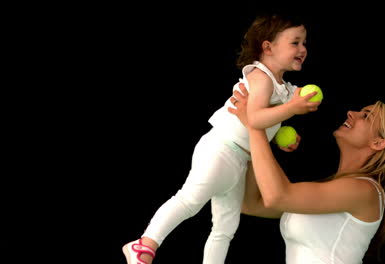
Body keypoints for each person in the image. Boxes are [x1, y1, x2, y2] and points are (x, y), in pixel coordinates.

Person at [122, 12, 321, 264]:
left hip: (240, 159)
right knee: (190, 200)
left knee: (226, 227)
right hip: (222, 149)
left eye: (304, 43)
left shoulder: (282, 86)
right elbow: (256, 118)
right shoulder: (260, 77)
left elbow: (266, 120)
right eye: (295, 42)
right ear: (268, 47)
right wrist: (291, 109)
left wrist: (282, 133)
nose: (303, 49)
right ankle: (143, 245)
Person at [228, 84, 385, 263]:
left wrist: (256, 125)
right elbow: (251, 203)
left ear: (378, 143)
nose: (352, 112)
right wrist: (255, 134)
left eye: (366, 116)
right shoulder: (333, 188)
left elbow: (277, 196)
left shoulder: (365, 191)